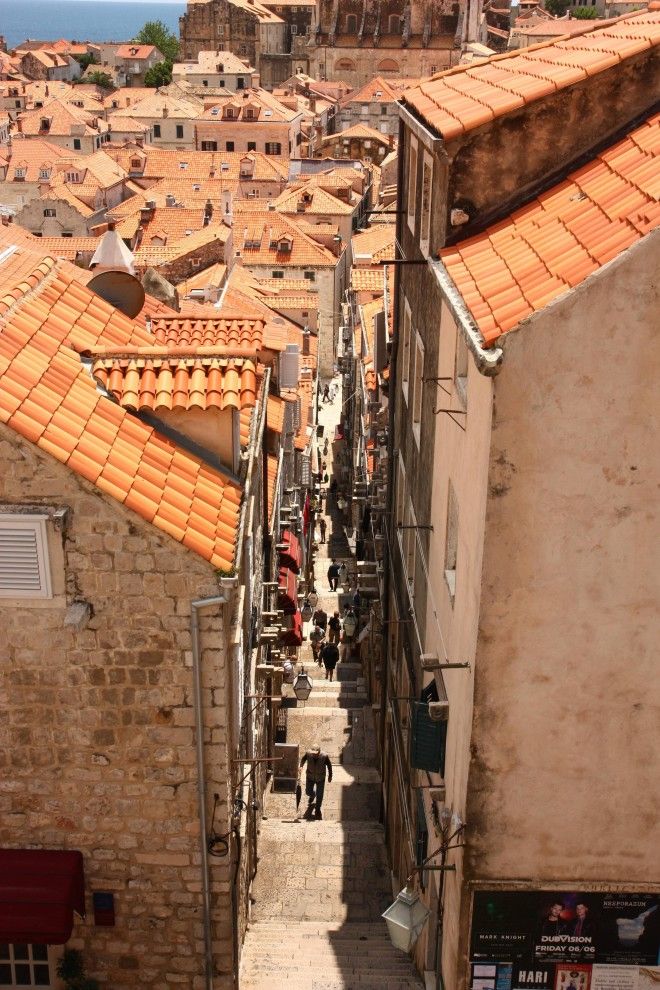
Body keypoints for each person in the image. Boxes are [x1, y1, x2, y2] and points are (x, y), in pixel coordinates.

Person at [300, 745, 332, 819]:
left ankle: (317, 809)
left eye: (316, 753)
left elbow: (329, 766)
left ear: (319, 752)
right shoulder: (308, 754)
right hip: (310, 776)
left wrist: (330, 776)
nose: (314, 755)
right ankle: (312, 794)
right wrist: (301, 766)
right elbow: (303, 759)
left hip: (320, 778)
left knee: (320, 794)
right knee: (308, 792)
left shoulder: (324, 756)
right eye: (313, 753)